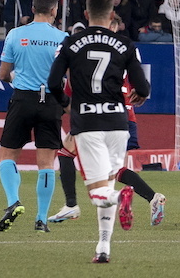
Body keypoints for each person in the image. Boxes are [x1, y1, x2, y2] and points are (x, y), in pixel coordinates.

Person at [47, 0, 151, 263]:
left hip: (88, 123)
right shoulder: (125, 44)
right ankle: (103, 247)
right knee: (108, 183)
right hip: (118, 123)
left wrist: (66, 103)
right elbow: (143, 87)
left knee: (99, 194)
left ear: (86, 14)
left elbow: (53, 81)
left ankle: (123, 196)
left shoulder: (71, 43)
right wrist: (139, 94)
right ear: (112, 15)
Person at [49, 15, 167, 228]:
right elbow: (140, 83)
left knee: (67, 154)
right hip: (124, 117)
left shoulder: (83, 58)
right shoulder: (122, 50)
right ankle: (152, 198)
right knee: (115, 171)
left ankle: (73, 205)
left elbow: (67, 89)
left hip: (99, 116)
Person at [0, 0, 67, 233]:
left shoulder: (15, 34)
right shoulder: (64, 38)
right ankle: (41, 219)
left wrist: (17, 79)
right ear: (54, 11)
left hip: (23, 99)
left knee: (7, 156)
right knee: (46, 163)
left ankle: (13, 202)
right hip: (50, 102)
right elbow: (67, 77)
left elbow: (3, 74)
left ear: (33, 8)